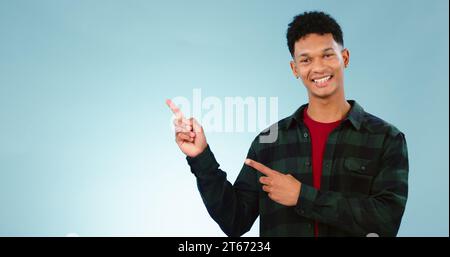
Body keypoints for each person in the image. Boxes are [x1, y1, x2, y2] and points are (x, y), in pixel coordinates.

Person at [166, 11, 408, 237]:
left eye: (327, 55)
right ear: (295, 68)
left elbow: (386, 221)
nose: (318, 67)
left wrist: (302, 196)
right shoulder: (269, 141)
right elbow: (235, 220)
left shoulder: (386, 138)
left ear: (344, 58)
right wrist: (200, 157)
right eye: (306, 60)